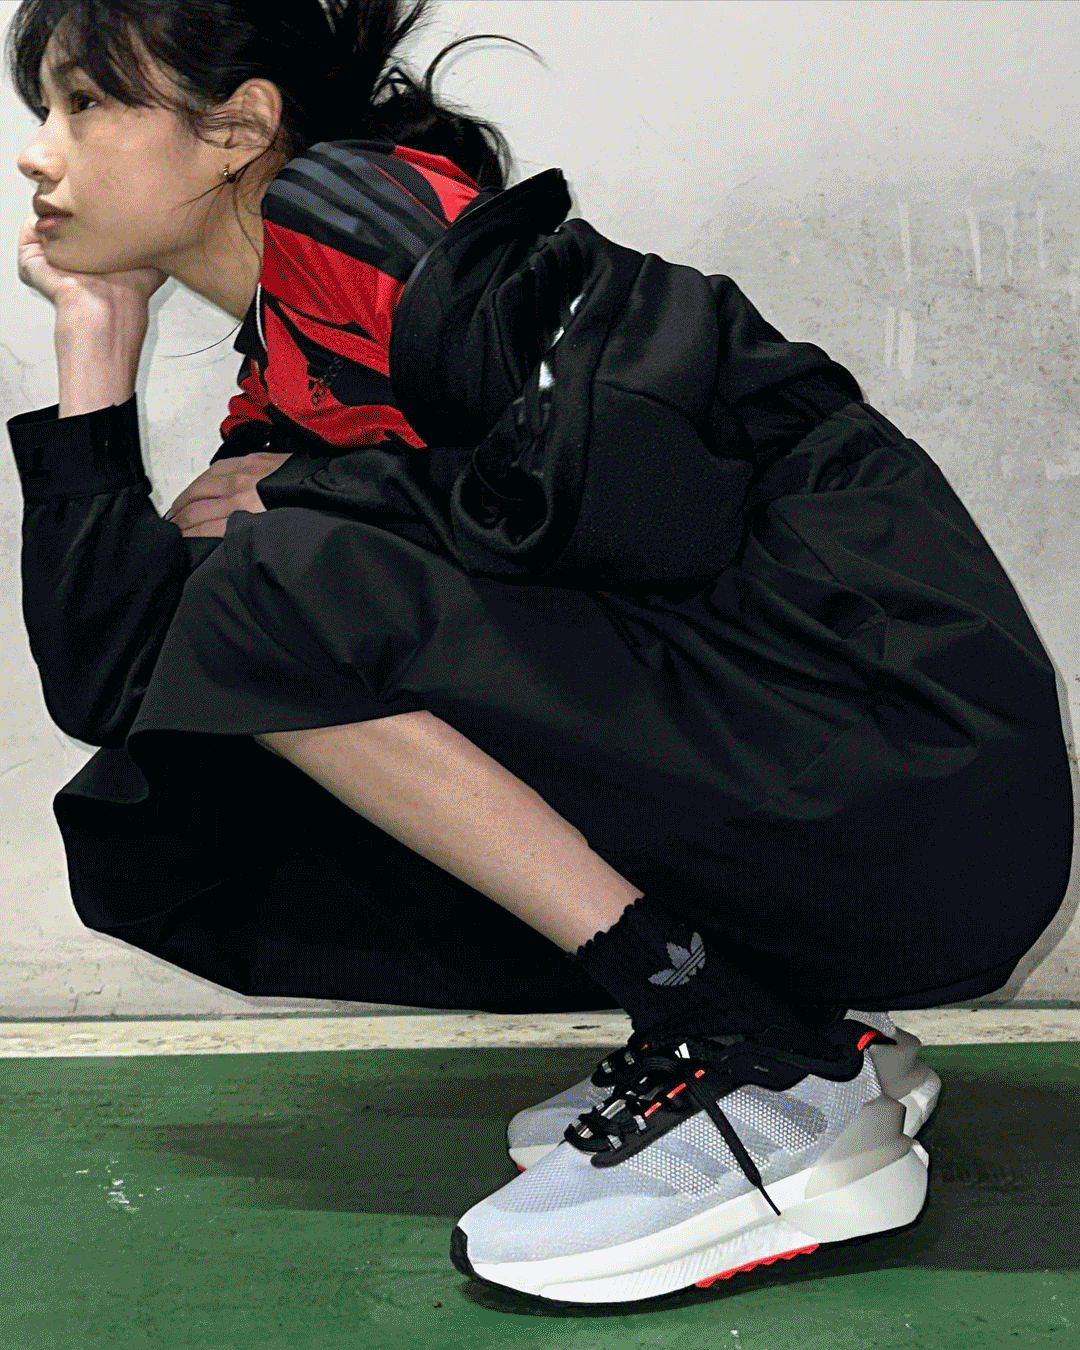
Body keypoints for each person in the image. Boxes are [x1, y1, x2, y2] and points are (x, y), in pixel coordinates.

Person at [6, 0, 1073, 1307]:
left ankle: (745, 1047)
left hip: (911, 758)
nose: (39, 153)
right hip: (825, 773)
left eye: (85, 105)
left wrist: (326, 496)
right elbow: (118, 676)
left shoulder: (367, 221)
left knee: (275, 588)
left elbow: (656, 504)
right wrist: (94, 340)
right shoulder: (290, 360)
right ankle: (789, 1010)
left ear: (238, 129)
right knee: (217, 681)